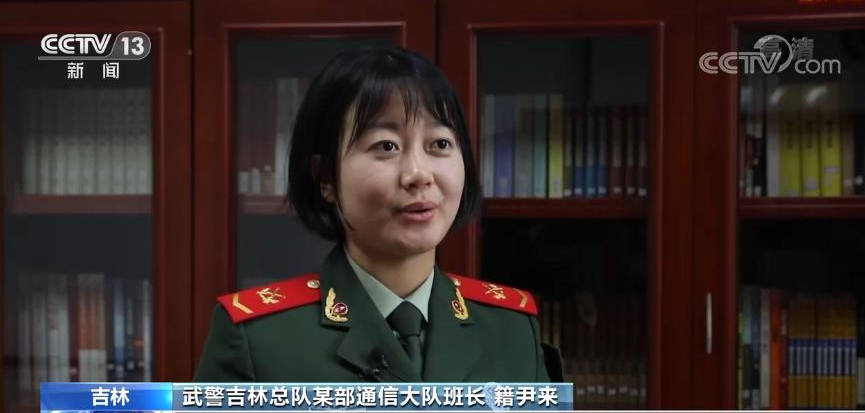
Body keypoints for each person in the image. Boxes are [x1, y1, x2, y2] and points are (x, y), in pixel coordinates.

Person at [194, 45, 554, 382]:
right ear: (325, 177)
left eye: (440, 144)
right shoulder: (258, 339)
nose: (419, 174)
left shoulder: (512, 329)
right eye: (386, 146)